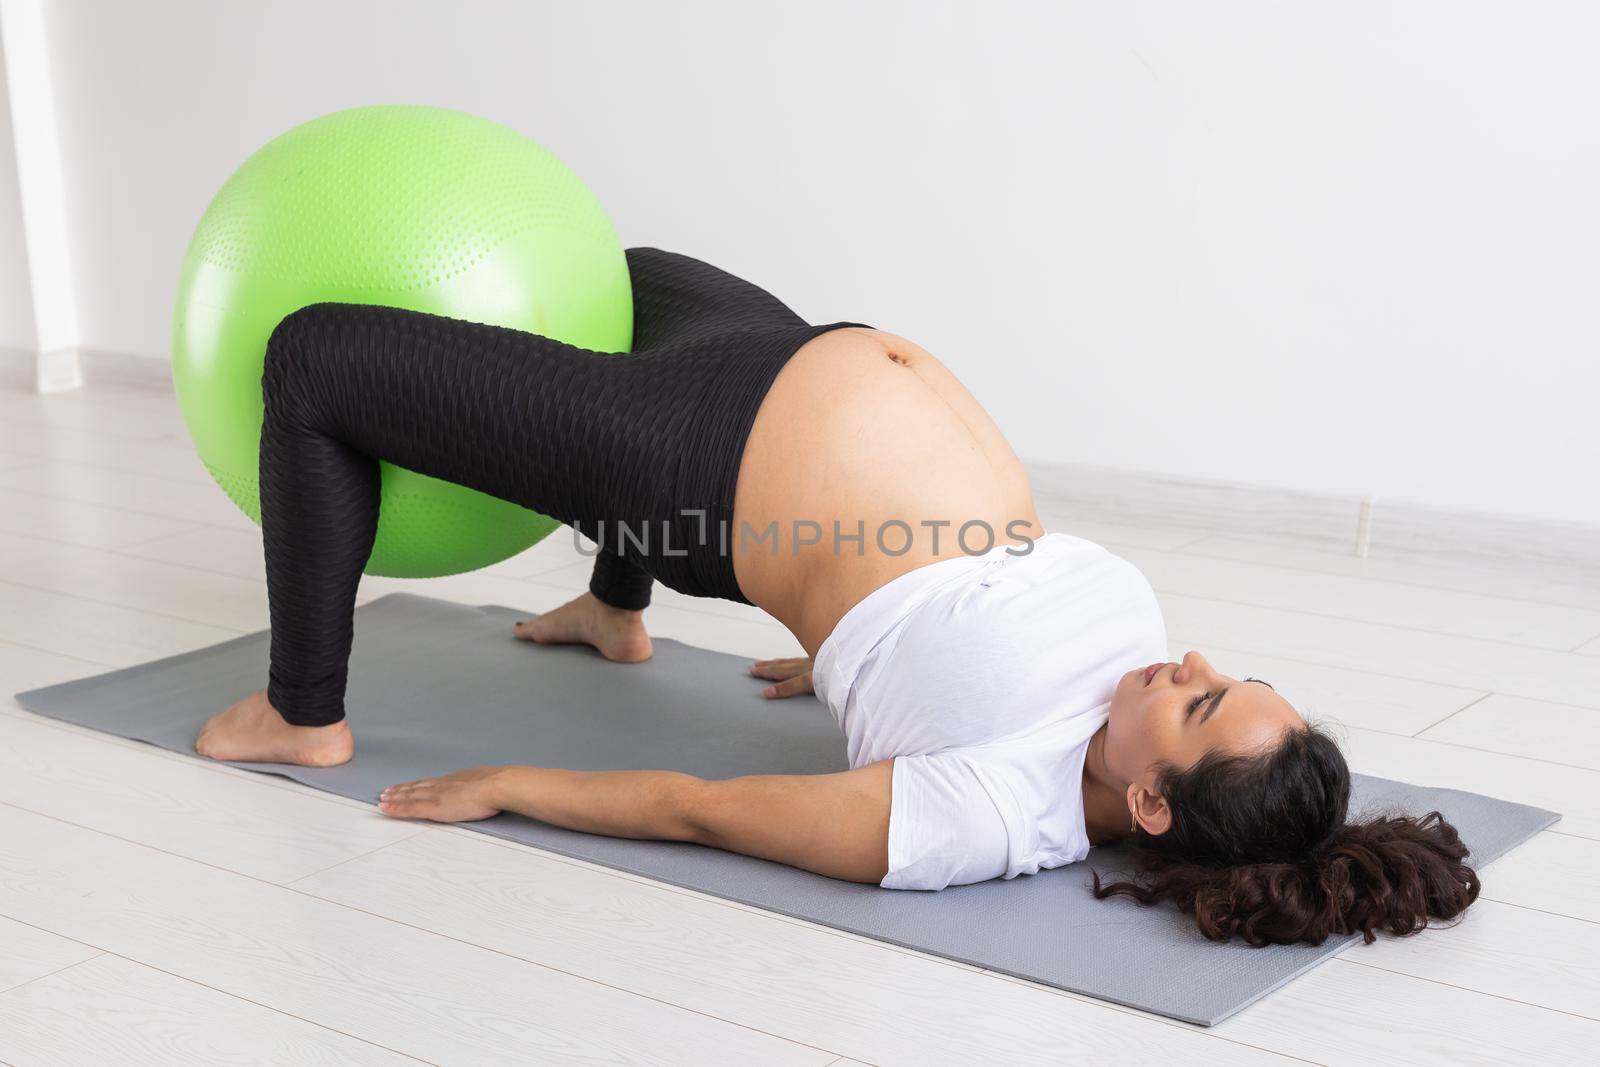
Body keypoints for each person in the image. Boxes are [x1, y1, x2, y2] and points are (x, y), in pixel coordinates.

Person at [195, 247, 1480, 945]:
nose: (1185, 659)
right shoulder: (1113, 700)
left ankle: (300, 706)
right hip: (771, 367)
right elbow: (968, 612)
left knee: (311, 358)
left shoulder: (986, 811)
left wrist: (512, 783)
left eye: (1198, 702)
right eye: (1221, 668)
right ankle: (611, 603)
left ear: (1148, 801)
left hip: (697, 465)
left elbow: (709, 811)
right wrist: (871, 661)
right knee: (618, 270)